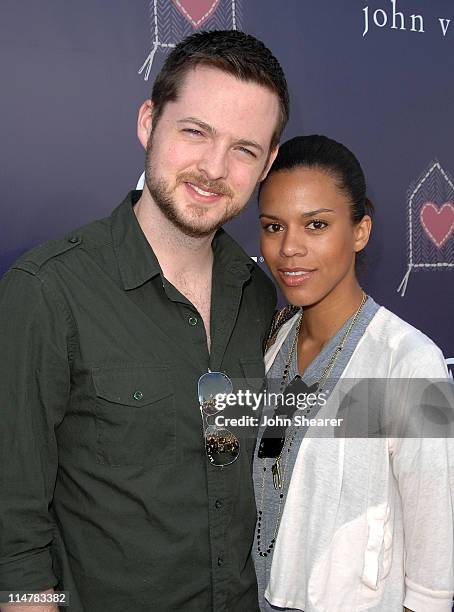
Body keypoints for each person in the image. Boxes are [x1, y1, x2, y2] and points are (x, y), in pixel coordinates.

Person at [0, 30, 290, 612]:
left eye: (244, 149)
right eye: (195, 132)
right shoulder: (49, 290)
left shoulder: (259, 293)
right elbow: (13, 530)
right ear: (147, 122)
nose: (213, 168)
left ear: (268, 164)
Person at [252, 135, 454, 612]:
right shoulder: (271, 344)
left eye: (316, 224)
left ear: (360, 230)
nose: (289, 249)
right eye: (273, 226)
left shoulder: (408, 361)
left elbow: (434, 552)